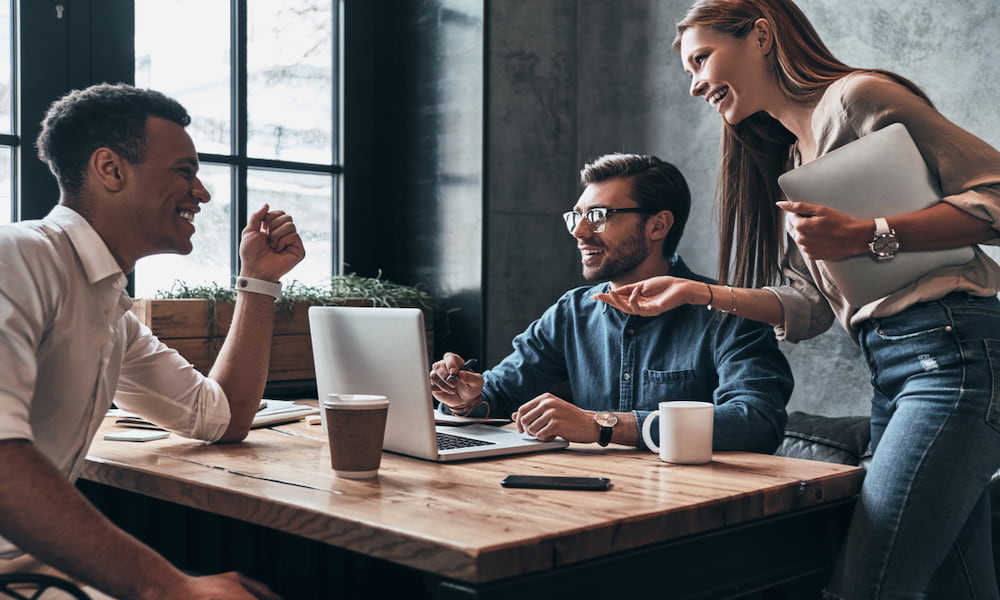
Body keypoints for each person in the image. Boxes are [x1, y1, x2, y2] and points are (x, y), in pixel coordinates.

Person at [595, 1, 1000, 598]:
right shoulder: (793, 158)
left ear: (761, 36)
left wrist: (865, 235)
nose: (695, 84)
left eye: (702, 59)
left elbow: (993, 193)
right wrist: (697, 293)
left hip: (951, 355)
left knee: (865, 585)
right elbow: (809, 305)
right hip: (895, 368)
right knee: (956, 586)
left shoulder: (856, 98)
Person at [0, 83, 305, 599]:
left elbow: (222, 417)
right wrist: (172, 588)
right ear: (111, 169)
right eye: (184, 171)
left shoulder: (108, 309)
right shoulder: (16, 257)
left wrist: (258, 282)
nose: (202, 193)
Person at [430, 153, 792, 452]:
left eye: (599, 216)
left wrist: (603, 425)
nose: (579, 231)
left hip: (696, 504)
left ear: (658, 226)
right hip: (593, 498)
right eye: (577, 216)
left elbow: (757, 421)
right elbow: (498, 392)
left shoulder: (729, 313)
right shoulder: (573, 312)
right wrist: (463, 398)